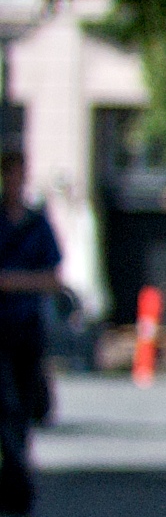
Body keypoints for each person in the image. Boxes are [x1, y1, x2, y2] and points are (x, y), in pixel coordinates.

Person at [0, 151, 62, 434]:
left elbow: (53, 278)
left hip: (27, 325)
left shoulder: (36, 224)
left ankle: (19, 464)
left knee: (23, 403)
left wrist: (13, 281)